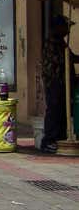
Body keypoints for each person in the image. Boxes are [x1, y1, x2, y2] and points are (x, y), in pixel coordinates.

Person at [41, 14, 77, 153]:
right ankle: (48, 140)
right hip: (55, 83)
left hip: (63, 84)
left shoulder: (61, 42)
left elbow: (71, 57)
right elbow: (61, 61)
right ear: (58, 28)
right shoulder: (52, 43)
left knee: (63, 111)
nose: (67, 31)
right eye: (65, 28)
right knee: (54, 111)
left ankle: (60, 138)